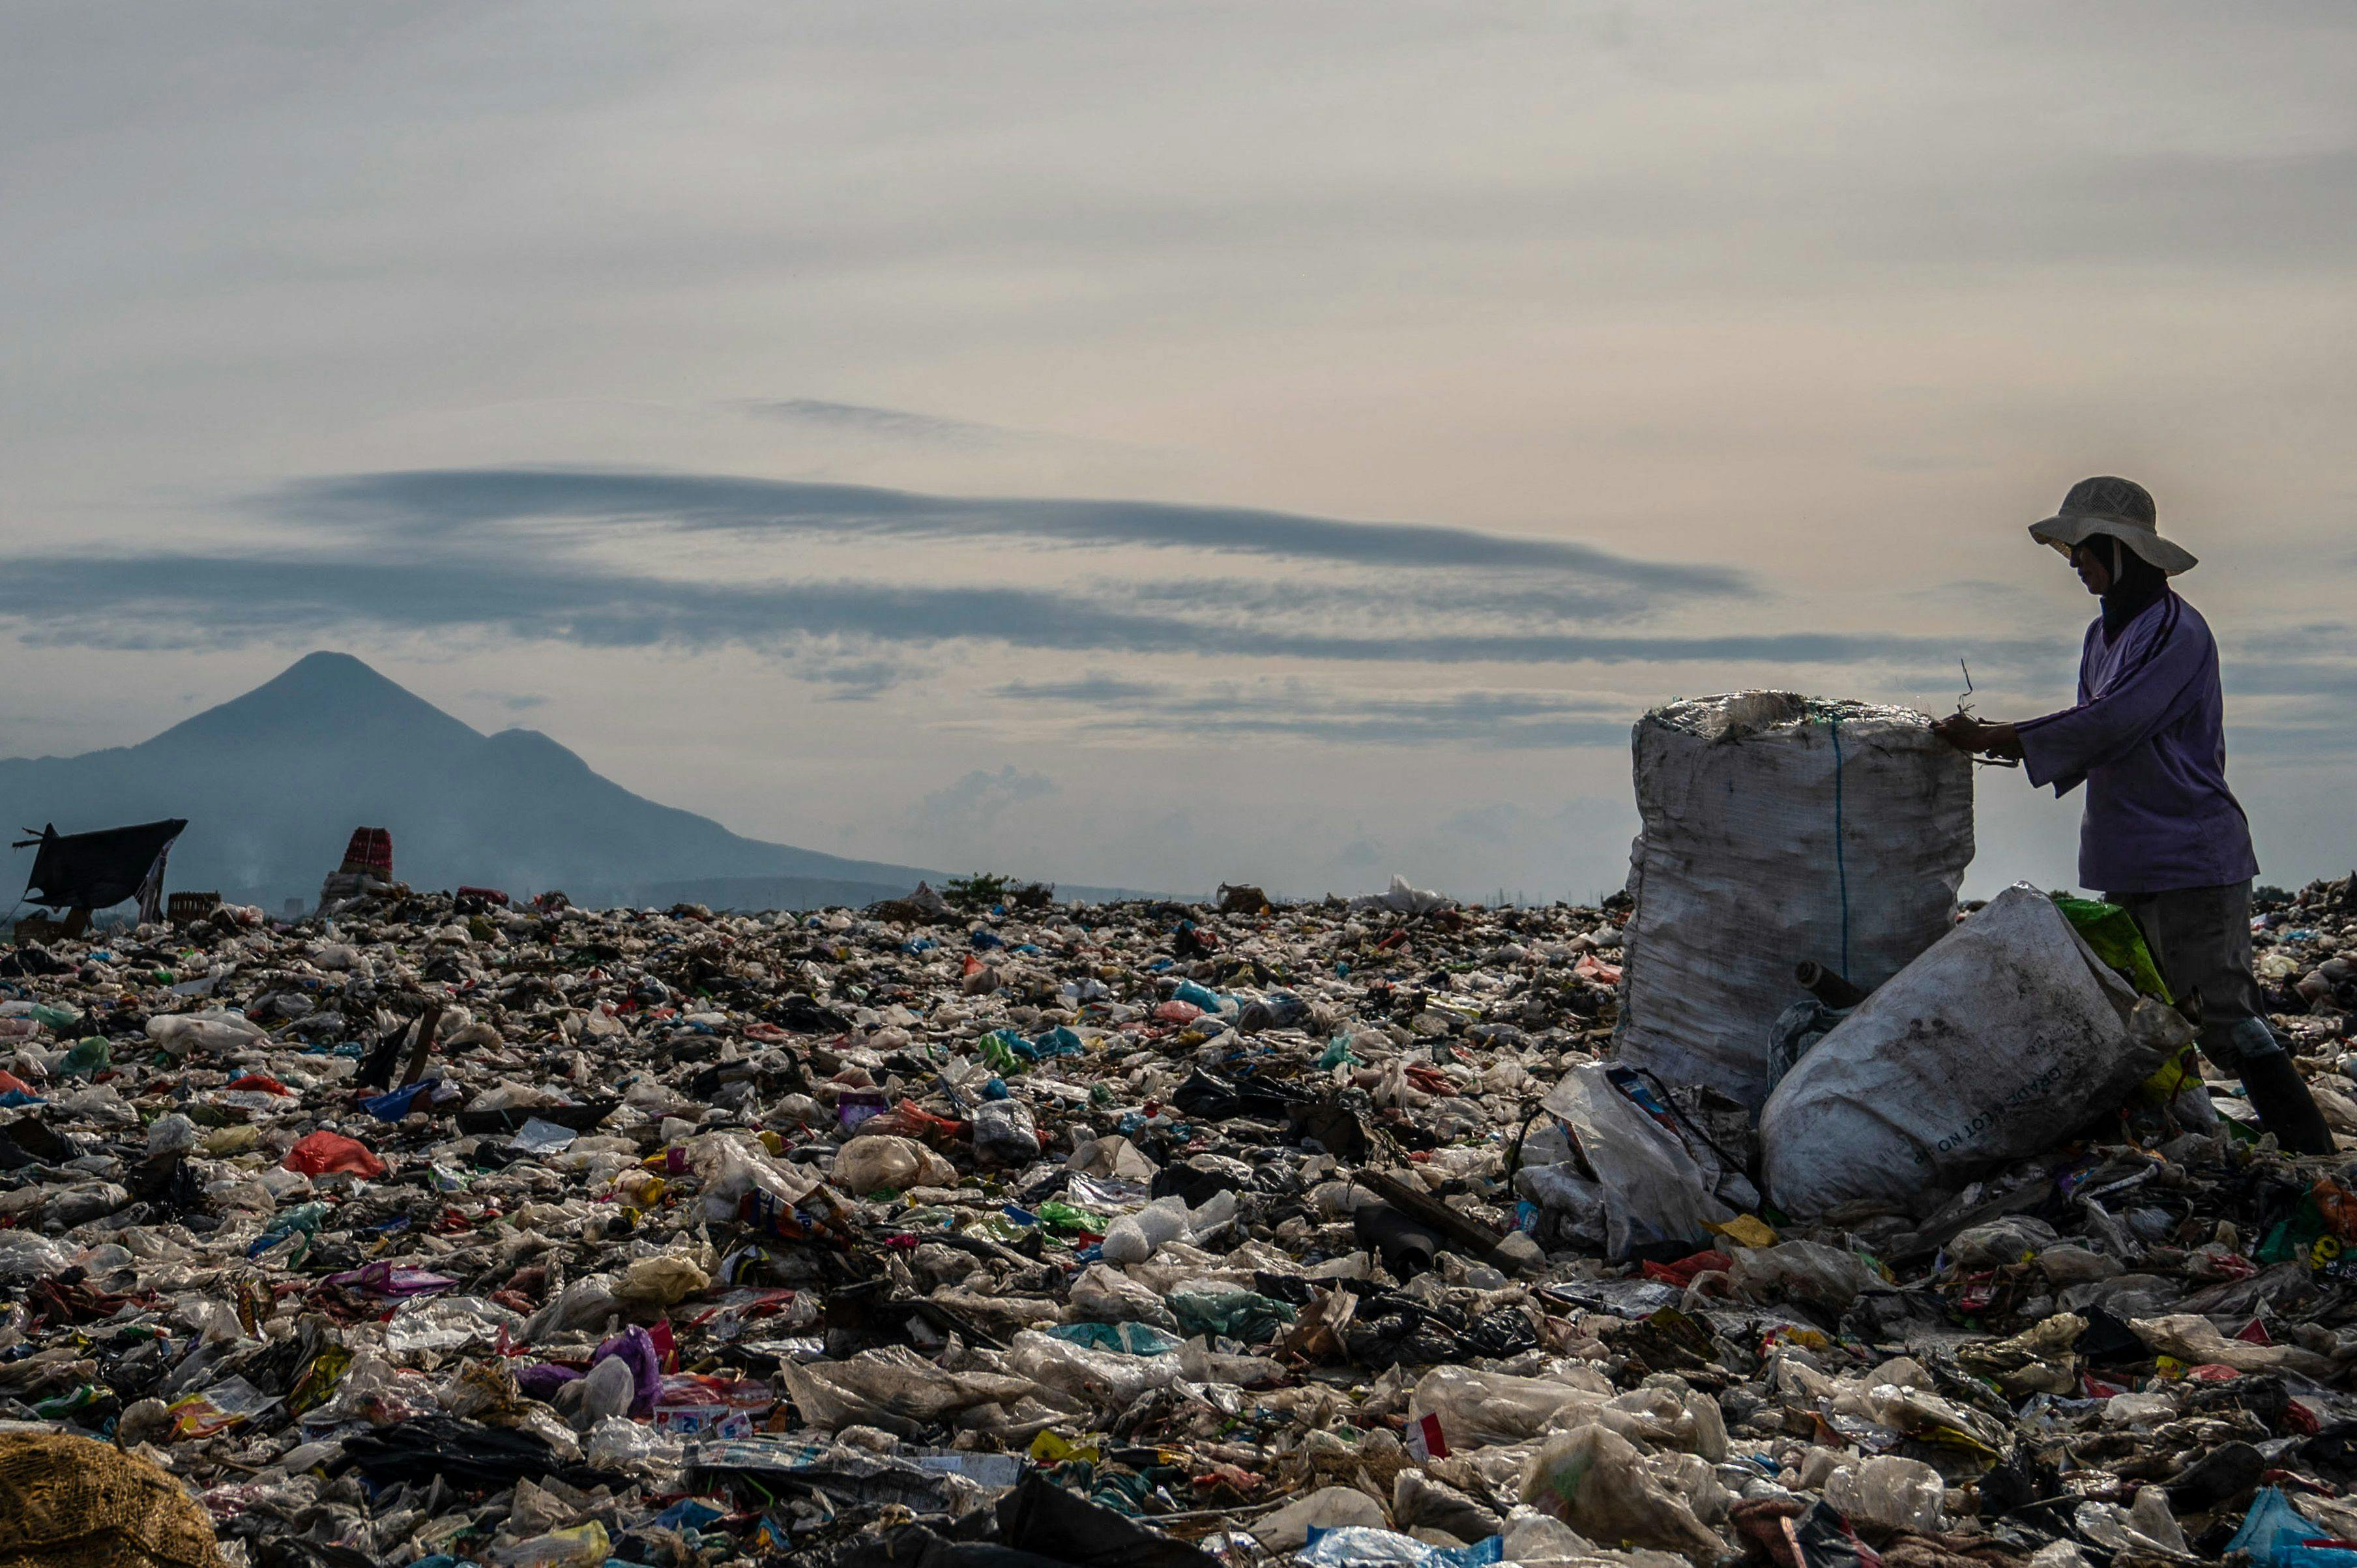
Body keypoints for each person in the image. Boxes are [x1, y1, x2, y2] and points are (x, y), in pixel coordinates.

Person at [1931, 476, 2333, 1154]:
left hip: (2191, 855)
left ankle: (2314, 1156)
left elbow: (2113, 719)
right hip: (2129, 853)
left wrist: (2005, 735)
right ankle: (2175, 1138)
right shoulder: (2101, 635)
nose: (2074, 564)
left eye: (2084, 549)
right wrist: (1999, 749)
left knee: (2227, 1021)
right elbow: (2095, 733)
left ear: (2120, 549)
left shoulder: (2177, 633)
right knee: (2136, 1016)